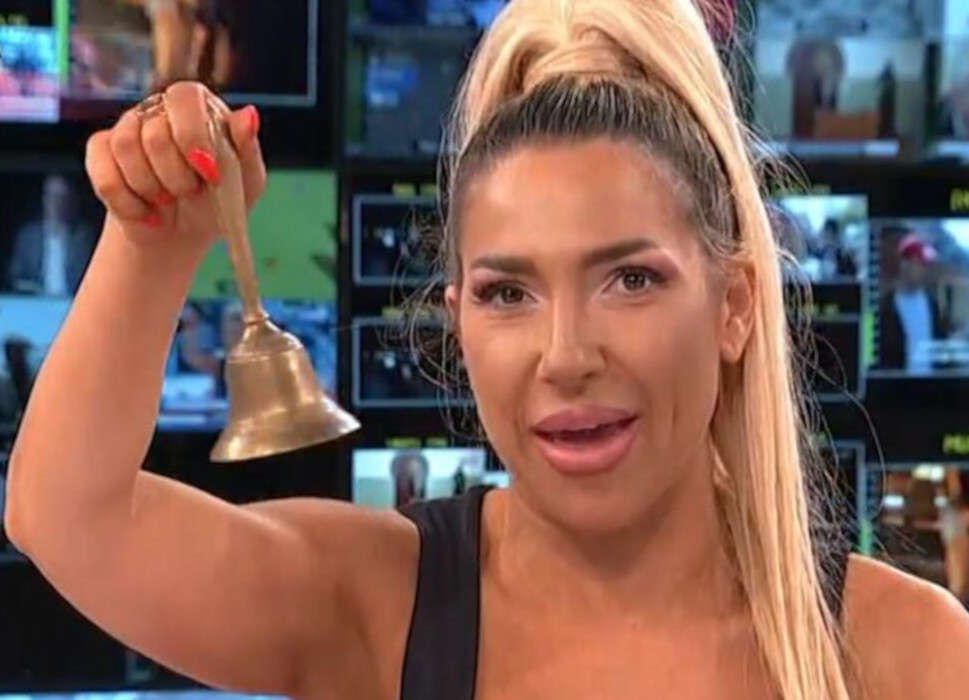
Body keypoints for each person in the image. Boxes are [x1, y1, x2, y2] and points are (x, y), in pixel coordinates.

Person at [4, 2, 969, 700]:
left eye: (630, 279)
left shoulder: (906, 655)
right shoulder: (380, 605)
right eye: (509, 293)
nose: (565, 356)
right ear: (458, 320)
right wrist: (154, 244)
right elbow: (67, 515)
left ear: (733, 306)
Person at [6, 174, 97, 296]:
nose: (56, 204)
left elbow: (92, 276)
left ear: (71, 202)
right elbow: (16, 277)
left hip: (74, 301)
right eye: (52, 197)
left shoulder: (83, 237)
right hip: (34, 301)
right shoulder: (28, 237)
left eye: (62, 198)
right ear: (44, 200)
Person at [877, 233, 951, 373]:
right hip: (898, 385)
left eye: (927, 265)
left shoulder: (935, 306)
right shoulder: (884, 308)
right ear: (905, 264)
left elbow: (942, 350)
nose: (925, 270)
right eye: (921, 264)